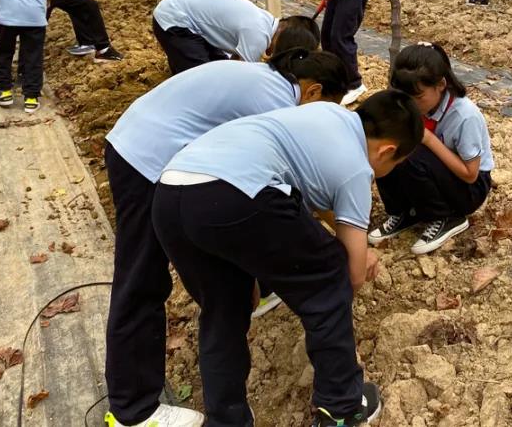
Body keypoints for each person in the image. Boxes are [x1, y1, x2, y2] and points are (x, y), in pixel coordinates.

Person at [102, 49, 348, 427]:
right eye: (326, 109)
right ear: (314, 92)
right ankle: (133, 409)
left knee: (210, 277)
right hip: (146, 159)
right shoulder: (275, 102)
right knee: (141, 279)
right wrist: (346, 226)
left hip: (144, 144)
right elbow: (259, 194)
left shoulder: (268, 82)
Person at [151, 91, 423, 427]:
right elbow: (350, 275)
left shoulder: (326, 112)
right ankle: (341, 409)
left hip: (170, 192)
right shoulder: (357, 168)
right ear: (388, 150)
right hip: (230, 196)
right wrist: (351, 272)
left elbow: (304, 206)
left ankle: (226, 420)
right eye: (394, 165)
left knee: (224, 309)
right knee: (329, 278)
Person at [369, 43, 493, 255]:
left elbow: (471, 174)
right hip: (435, 173)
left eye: (418, 97)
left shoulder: (465, 116)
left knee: (411, 151)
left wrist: (428, 140)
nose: (412, 104)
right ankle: (404, 211)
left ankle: (445, 217)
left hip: (468, 189)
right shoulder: (412, 104)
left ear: (441, 84)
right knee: (388, 144)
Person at [153, 0, 286, 74]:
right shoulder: (259, 35)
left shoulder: (265, 19)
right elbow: (245, 77)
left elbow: (234, 66)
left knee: (218, 68)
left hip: (184, 13)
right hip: (174, 18)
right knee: (200, 78)